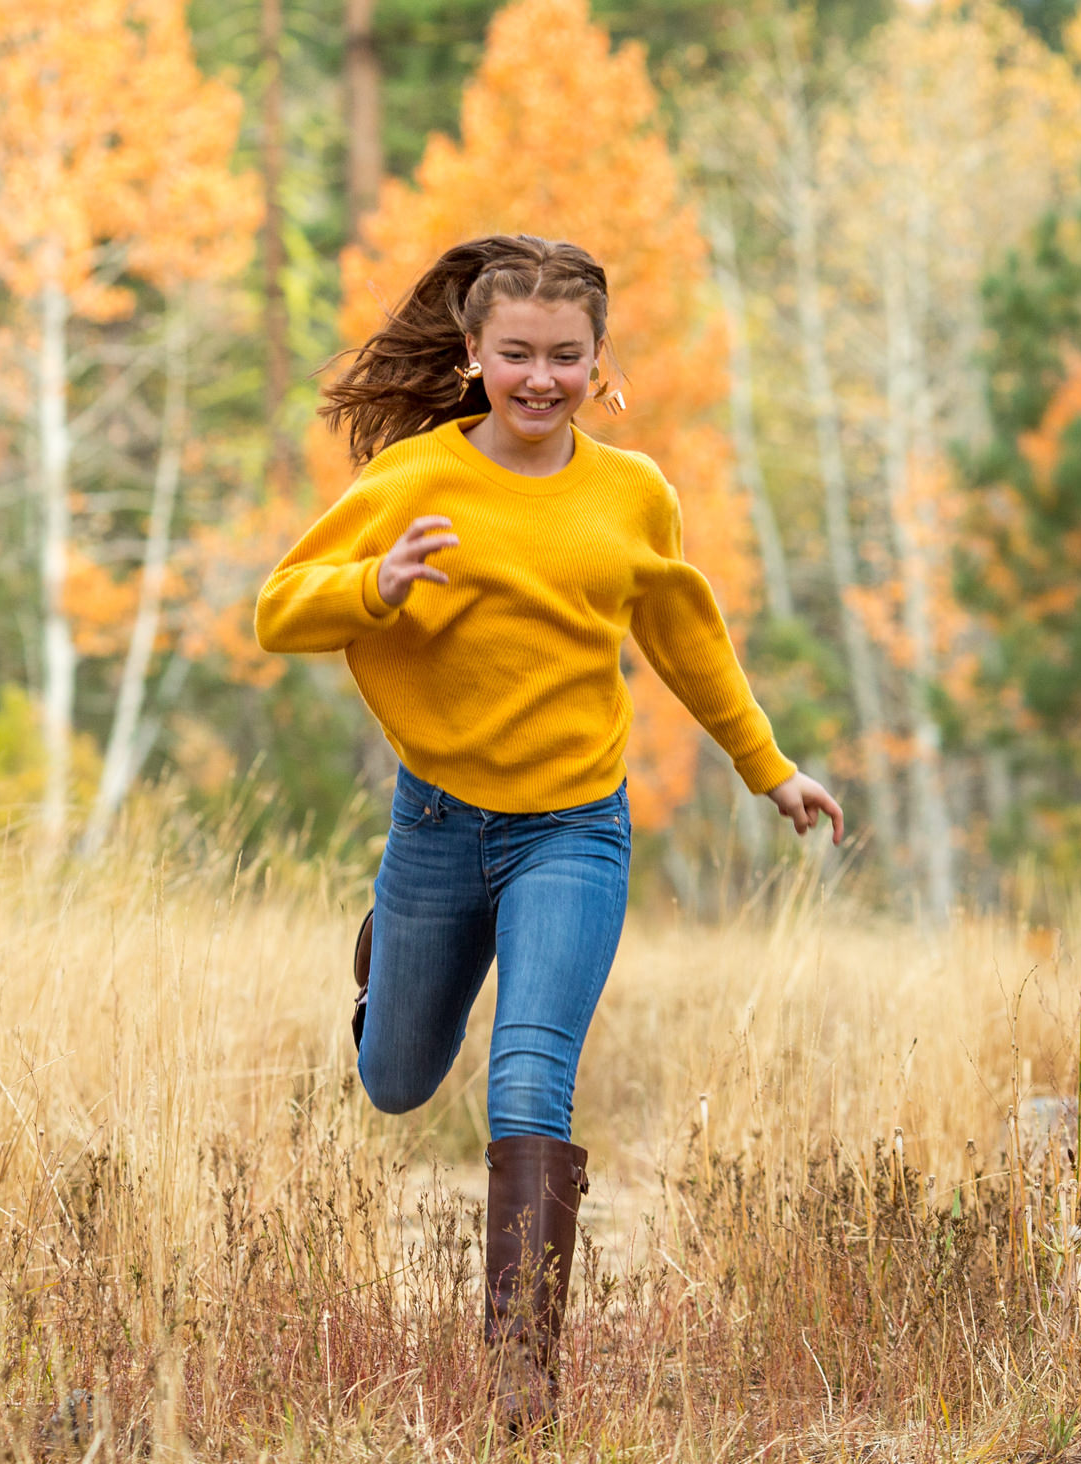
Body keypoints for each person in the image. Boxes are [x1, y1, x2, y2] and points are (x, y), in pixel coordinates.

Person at [253, 234, 843, 1429]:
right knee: (397, 1081)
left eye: (564, 356)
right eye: (514, 353)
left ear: (596, 359)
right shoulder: (418, 478)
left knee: (531, 1071)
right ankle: (390, 966)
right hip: (435, 825)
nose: (539, 377)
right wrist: (377, 586)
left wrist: (766, 766)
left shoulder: (632, 494)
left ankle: (523, 1370)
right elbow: (278, 610)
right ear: (473, 355)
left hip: (572, 830)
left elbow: (687, 638)